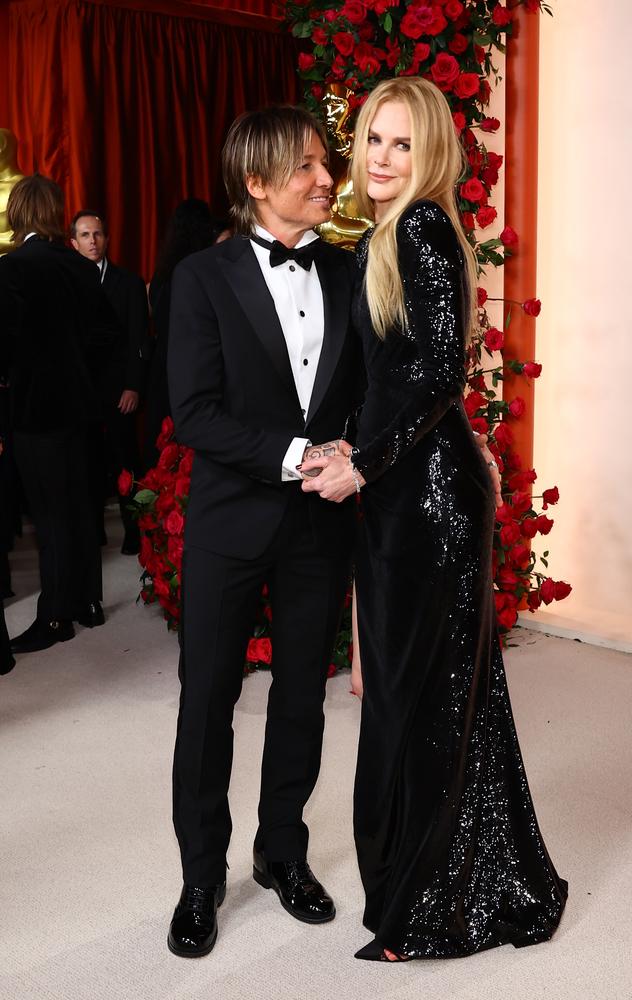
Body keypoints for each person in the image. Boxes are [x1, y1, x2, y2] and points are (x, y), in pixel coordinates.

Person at [301, 77, 568, 961]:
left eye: (401, 145)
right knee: (439, 697)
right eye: (373, 140)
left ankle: (430, 907)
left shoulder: (418, 227)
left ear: (432, 155)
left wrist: (363, 464)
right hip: (411, 483)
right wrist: (355, 451)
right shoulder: (390, 231)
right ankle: (466, 882)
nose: (380, 159)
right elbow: (392, 379)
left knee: (417, 704)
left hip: (426, 498)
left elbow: (432, 377)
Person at [165, 106, 362, 958]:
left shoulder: (351, 271)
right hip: (230, 521)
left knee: (301, 700)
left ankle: (282, 852)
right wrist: (295, 455)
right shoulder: (202, 279)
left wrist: (354, 447)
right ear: (256, 183)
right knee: (208, 701)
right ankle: (201, 875)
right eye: (308, 168)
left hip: (320, 524)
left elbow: (368, 388)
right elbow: (195, 413)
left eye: (328, 165)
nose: (328, 179)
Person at [0, 175, 116, 653]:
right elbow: (106, 339)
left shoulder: (13, 268)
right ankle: (88, 603)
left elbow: (5, 348)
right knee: (80, 508)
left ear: (18, 212)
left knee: (48, 519)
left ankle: (54, 619)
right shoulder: (81, 267)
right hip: (83, 410)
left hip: (35, 411)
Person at [70, 211, 149, 554]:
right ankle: (94, 532)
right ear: (73, 243)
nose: (92, 241)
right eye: (85, 235)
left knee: (125, 461)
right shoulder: (66, 284)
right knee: (86, 463)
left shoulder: (129, 282)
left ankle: (133, 530)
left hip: (120, 391)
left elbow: (140, 338)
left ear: (106, 238)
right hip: (81, 393)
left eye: (97, 234)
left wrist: (133, 385)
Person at [144, 199, 228, 471]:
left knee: (166, 454)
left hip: (162, 369)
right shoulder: (201, 273)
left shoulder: (161, 275)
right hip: (196, 369)